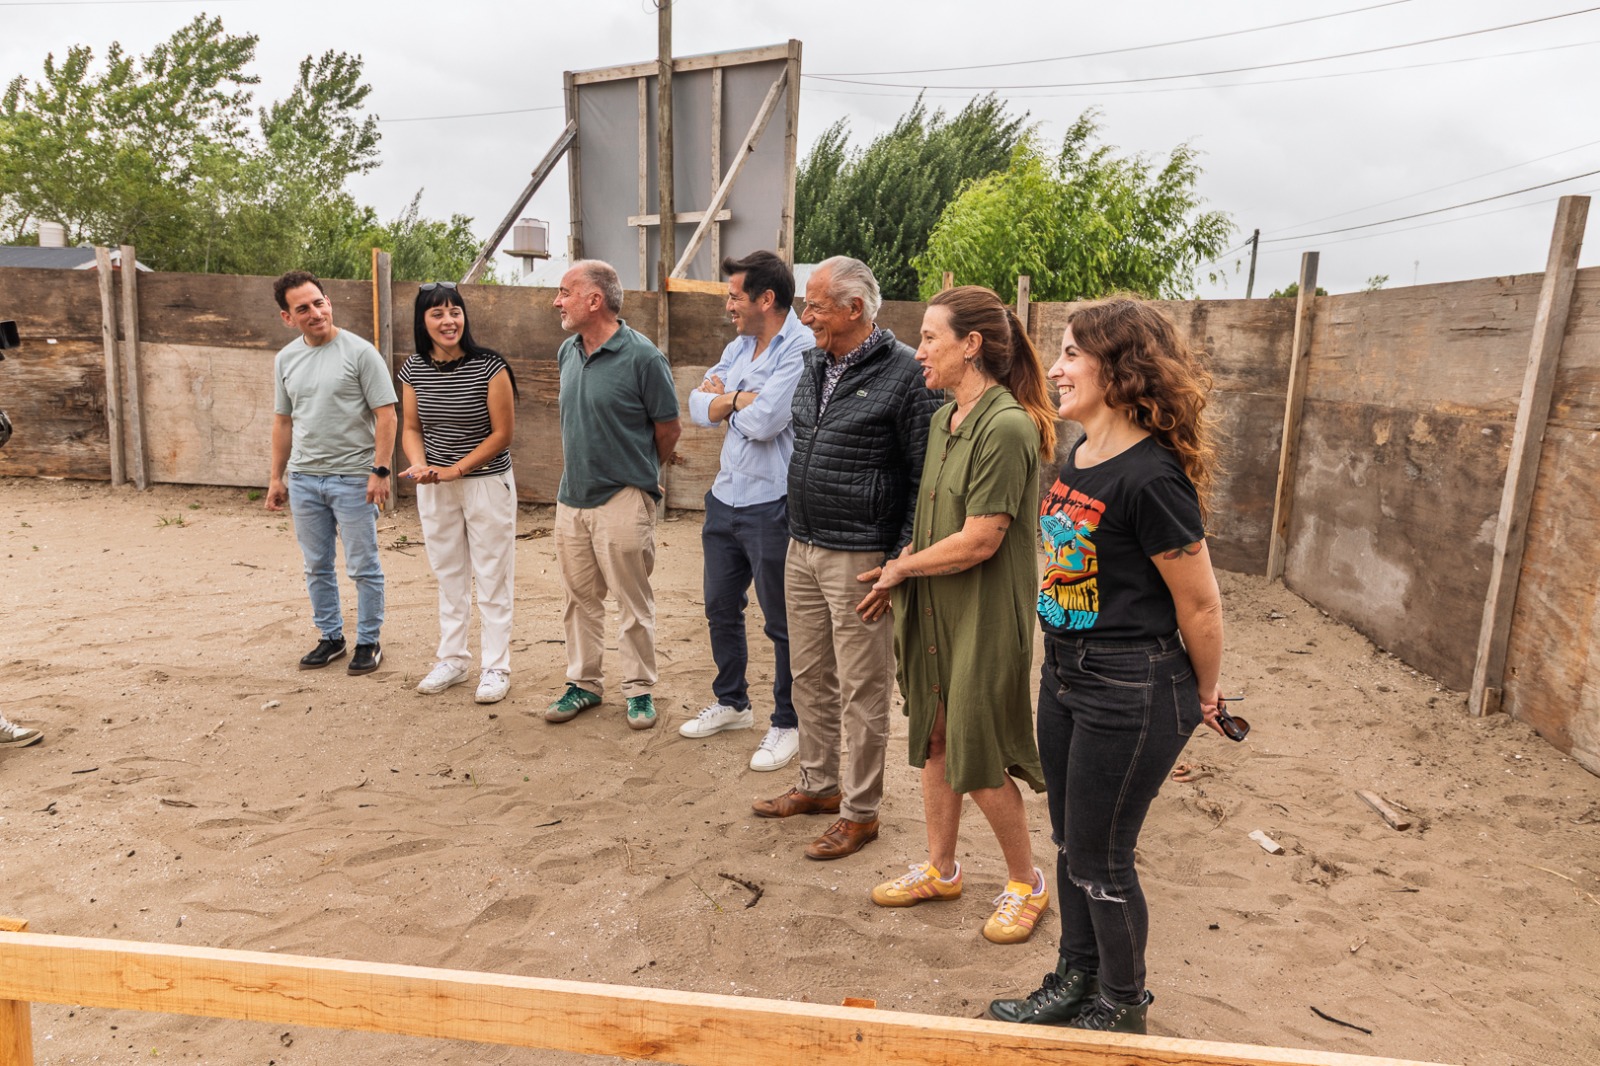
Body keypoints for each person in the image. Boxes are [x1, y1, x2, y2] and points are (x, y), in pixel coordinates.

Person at [986, 298, 1226, 1035]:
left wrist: (1206, 694)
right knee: (1071, 844)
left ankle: (1122, 1008)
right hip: (1066, 673)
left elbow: (1201, 604)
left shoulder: (1152, 478)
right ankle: (1075, 979)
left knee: (1102, 858)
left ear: (1118, 369)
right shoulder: (1080, 455)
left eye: (1070, 354)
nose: (1055, 368)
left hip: (1131, 684)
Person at [862, 285, 1058, 943]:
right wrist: (901, 569)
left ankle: (1027, 882)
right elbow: (936, 524)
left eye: (928, 338)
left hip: (984, 613)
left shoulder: (1006, 426)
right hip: (936, 603)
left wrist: (902, 569)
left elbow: (980, 539)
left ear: (970, 345)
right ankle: (941, 870)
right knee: (939, 735)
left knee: (977, 745)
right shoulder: (943, 419)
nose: (917, 350)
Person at [752, 256, 941, 860]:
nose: (805, 316)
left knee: (863, 687)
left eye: (815, 306)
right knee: (808, 674)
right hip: (802, 543)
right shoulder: (814, 362)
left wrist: (898, 559)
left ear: (854, 308)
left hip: (860, 555)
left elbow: (924, 478)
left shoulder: (907, 373)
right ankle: (818, 785)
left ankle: (860, 813)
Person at [680, 252, 810, 771]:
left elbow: (767, 422)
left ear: (766, 299)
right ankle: (733, 703)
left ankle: (788, 722)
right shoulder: (738, 346)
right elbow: (696, 406)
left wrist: (726, 401)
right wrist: (738, 400)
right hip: (725, 497)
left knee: (782, 621)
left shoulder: (799, 346)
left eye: (734, 296)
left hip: (773, 502)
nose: (729, 306)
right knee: (720, 607)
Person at [545, 260, 681, 731]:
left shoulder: (644, 357)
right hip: (572, 497)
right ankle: (584, 683)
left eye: (565, 292)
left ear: (594, 300)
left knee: (632, 601)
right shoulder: (567, 352)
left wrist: (641, 474)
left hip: (623, 497)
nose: (557, 302)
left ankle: (639, 690)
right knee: (578, 599)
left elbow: (668, 428)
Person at [266, 271, 398, 676]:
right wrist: (276, 477)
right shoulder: (286, 359)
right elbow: (283, 421)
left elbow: (387, 414)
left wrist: (380, 470)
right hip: (305, 479)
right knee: (316, 565)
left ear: (329, 302)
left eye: (319, 303)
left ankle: (369, 641)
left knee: (363, 565)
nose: (315, 312)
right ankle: (331, 637)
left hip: (354, 478)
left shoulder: (361, 353)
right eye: (303, 308)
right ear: (288, 317)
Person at [397, 282, 519, 704]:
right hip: (435, 486)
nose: (448, 321)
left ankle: (496, 667)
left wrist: (456, 469)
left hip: (486, 483)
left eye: (455, 311)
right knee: (448, 573)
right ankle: (452, 659)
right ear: (423, 321)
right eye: (437, 313)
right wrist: (420, 465)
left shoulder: (490, 366)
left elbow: (503, 434)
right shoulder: (413, 369)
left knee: (492, 575)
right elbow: (412, 427)